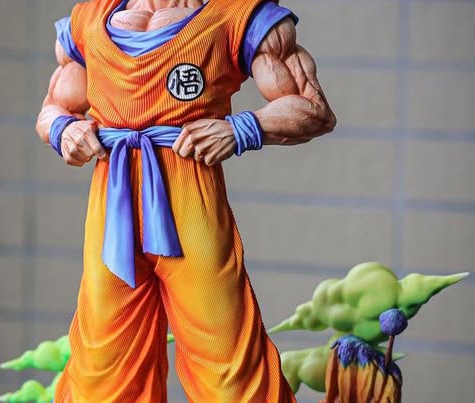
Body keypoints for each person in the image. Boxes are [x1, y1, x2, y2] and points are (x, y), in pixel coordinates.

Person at [35, 0, 336, 401]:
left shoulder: (236, 15)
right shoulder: (89, 18)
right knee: (102, 364)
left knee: (228, 367)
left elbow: (313, 109)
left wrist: (242, 129)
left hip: (190, 199)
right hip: (112, 202)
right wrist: (63, 129)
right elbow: (52, 109)